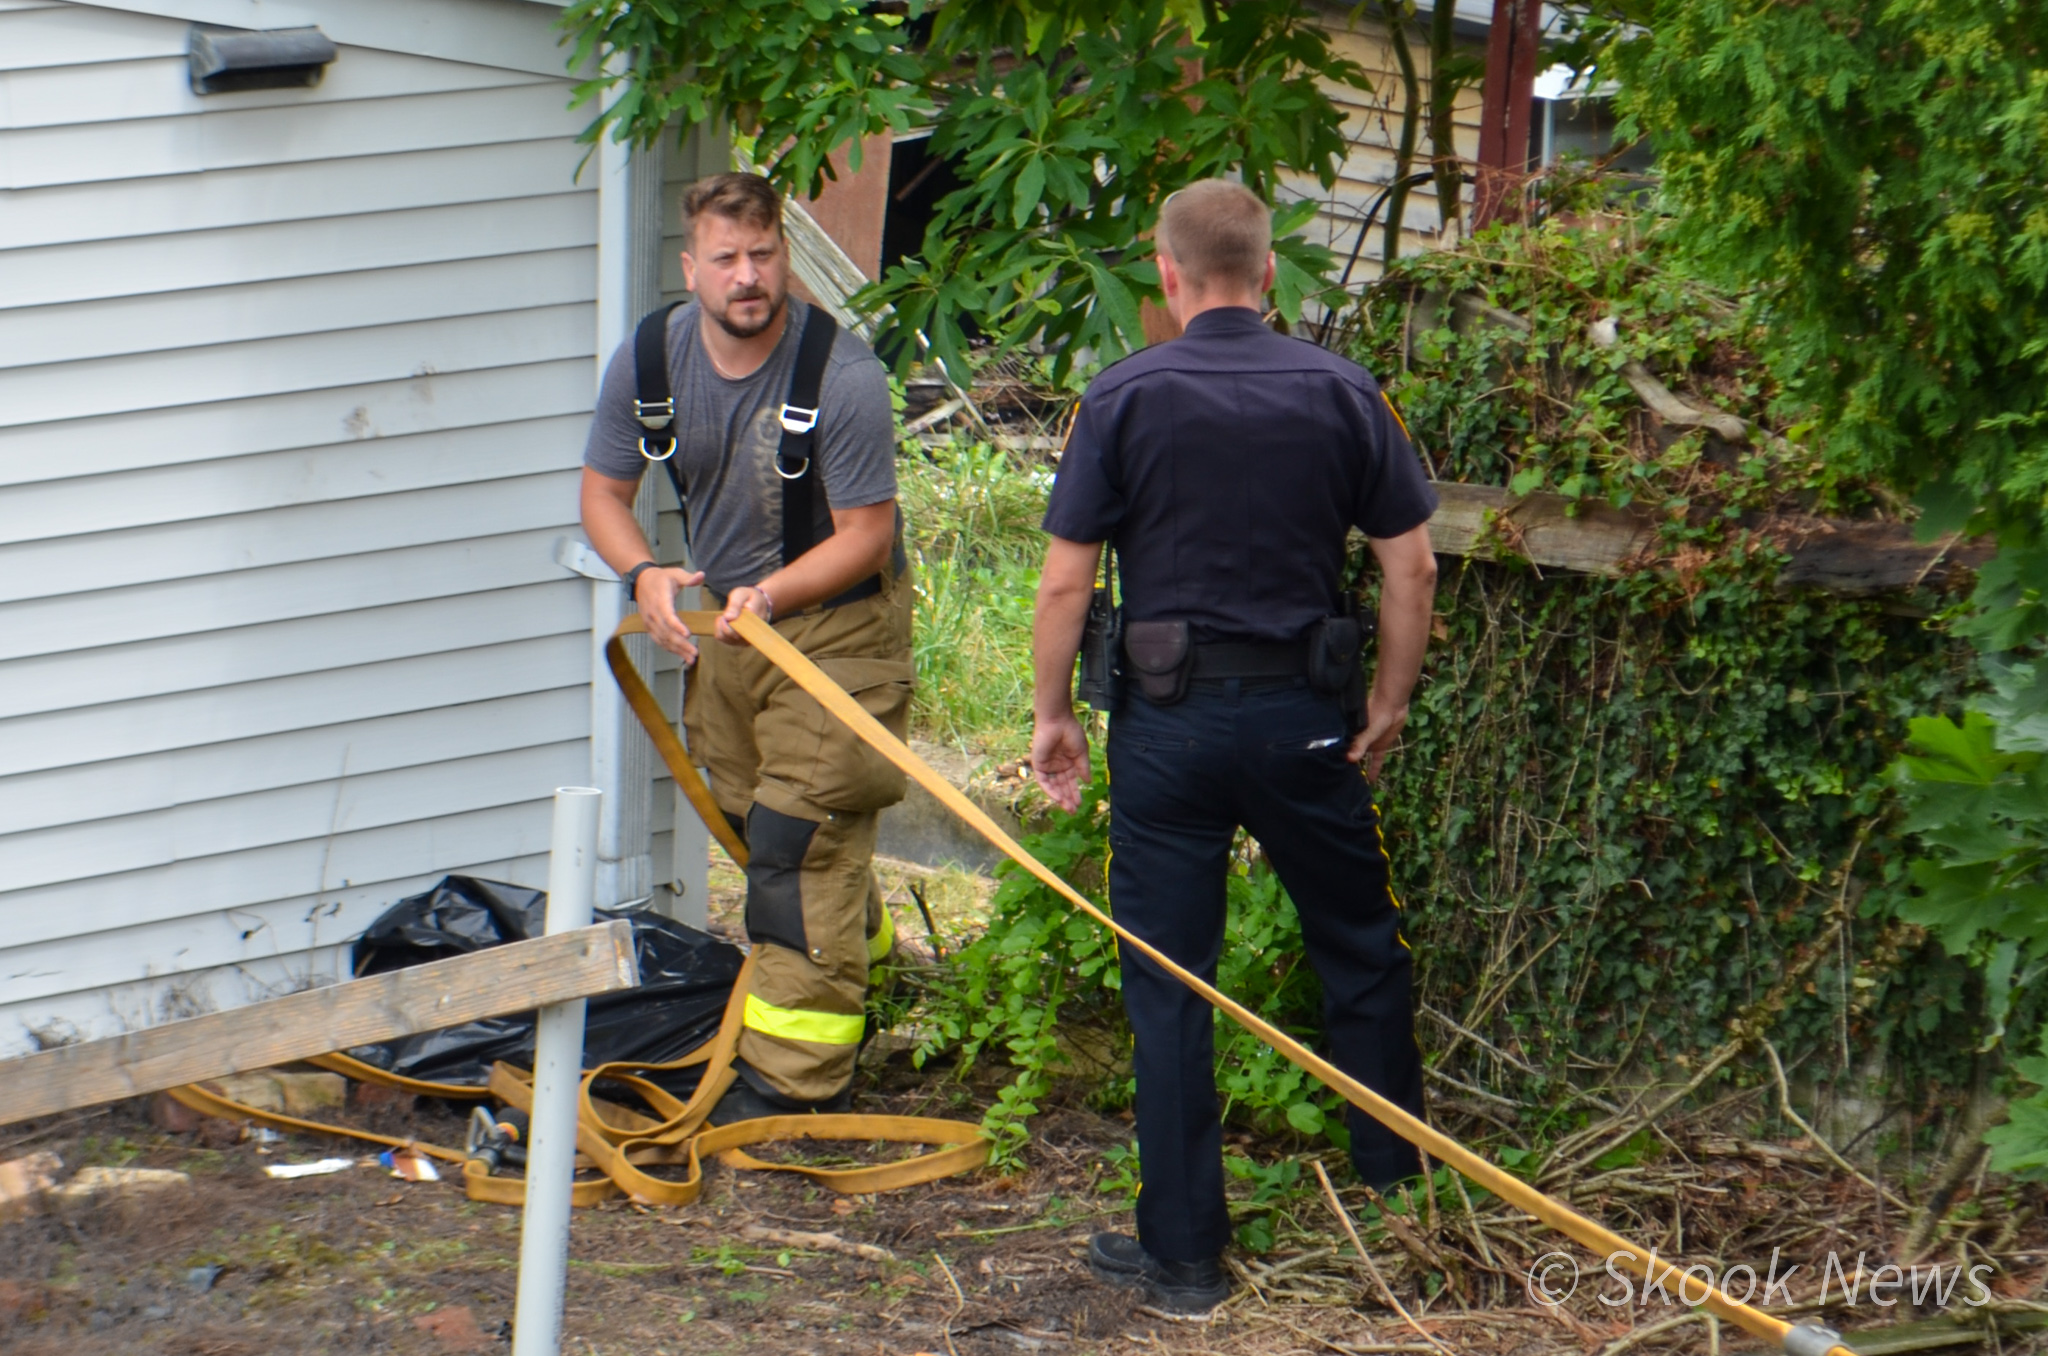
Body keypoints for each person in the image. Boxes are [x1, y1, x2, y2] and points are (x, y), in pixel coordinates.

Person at [1029, 179, 1441, 1314]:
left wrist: (1053, 716)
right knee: (1359, 946)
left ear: (1166, 275)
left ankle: (1184, 1262)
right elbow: (1410, 567)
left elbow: (1066, 582)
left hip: (1165, 731)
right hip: (1307, 722)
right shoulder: (1347, 392)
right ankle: (1399, 1208)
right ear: (1267, 274)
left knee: (1169, 982)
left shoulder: (1119, 398)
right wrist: (1388, 700)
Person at [580, 172, 913, 1121]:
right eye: (725, 258)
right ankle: (866, 966)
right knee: (752, 820)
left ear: (785, 256)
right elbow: (602, 495)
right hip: (729, 628)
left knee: (797, 841)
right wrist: (645, 573)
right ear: (691, 268)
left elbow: (865, 536)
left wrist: (771, 591)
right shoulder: (652, 359)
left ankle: (789, 1082)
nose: (747, 276)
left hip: (837, 622)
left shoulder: (842, 378)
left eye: (763, 254)